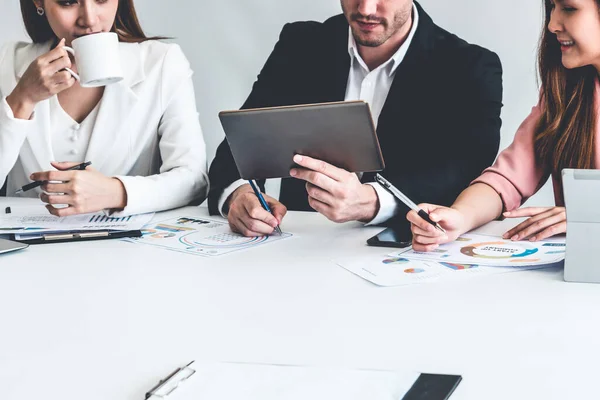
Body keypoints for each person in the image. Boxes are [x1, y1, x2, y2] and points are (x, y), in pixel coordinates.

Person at [208, 0, 503, 237]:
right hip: (298, 253)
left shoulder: (471, 66)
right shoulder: (300, 44)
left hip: (410, 259)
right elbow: (239, 147)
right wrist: (238, 196)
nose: (366, 9)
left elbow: (468, 173)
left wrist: (373, 202)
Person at [409, 0, 600, 251]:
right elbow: (507, 179)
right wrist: (460, 216)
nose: (552, 24)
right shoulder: (567, 92)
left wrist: (590, 216)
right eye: (551, 7)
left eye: (569, 8)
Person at [0, 0, 208, 216]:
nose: (89, 19)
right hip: (25, 245)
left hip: (127, 246)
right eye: (68, 2)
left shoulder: (162, 64)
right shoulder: (6, 62)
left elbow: (193, 178)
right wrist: (22, 98)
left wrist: (115, 192)